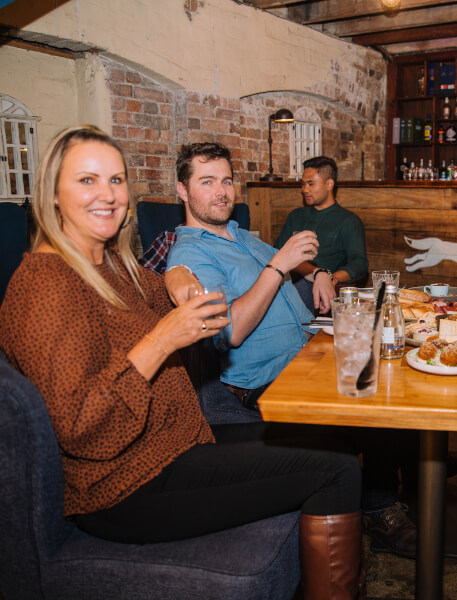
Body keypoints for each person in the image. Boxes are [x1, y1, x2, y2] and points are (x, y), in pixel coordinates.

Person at [0, 125, 364, 599]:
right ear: (51, 193)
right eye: (87, 180)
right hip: (126, 487)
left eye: (116, 180)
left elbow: (167, 285)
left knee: (332, 440)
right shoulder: (46, 286)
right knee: (337, 469)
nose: (107, 195)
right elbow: (82, 428)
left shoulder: (108, 265)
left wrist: (176, 272)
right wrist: (161, 340)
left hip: (177, 443)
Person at [165, 142, 421, 558]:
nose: (221, 192)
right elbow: (231, 332)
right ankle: (378, 507)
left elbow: (294, 264)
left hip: (307, 355)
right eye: (206, 182)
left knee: (393, 361)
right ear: (182, 190)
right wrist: (279, 266)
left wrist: (319, 272)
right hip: (265, 383)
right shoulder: (194, 253)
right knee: (378, 397)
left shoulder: (240, 235)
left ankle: (417, 467)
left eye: (226, 181)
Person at [275, 156, 368, 314]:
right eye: (303, 184)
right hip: (286, 284)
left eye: (311, 183)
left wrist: (331, 278)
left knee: (302, 288)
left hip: (318, 291)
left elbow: (359, 263)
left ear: (329, 184)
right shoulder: (296, 216)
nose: (305, 189)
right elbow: (276, 252)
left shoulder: (348, 220)